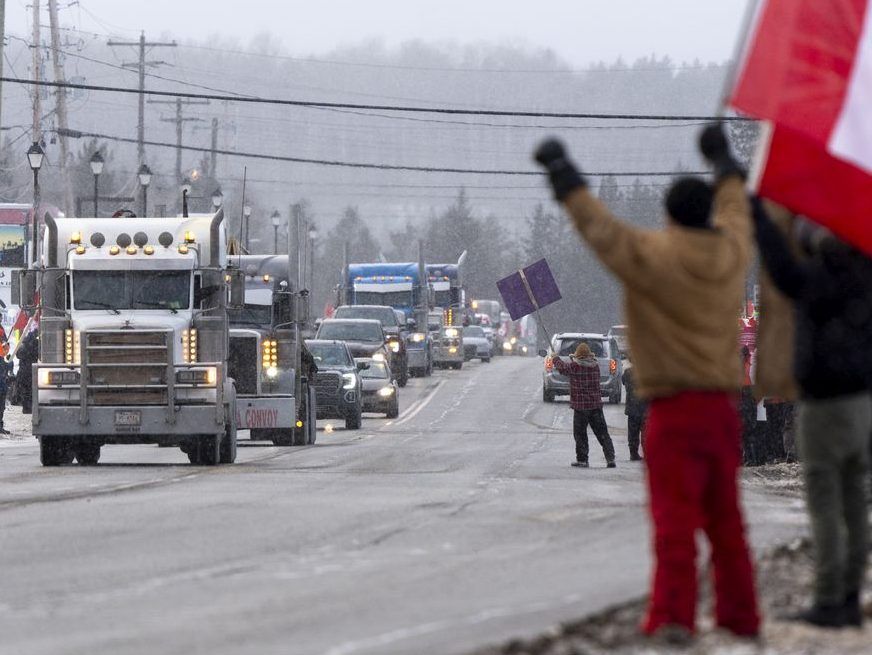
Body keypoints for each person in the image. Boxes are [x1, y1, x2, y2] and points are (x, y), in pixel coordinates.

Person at [534, 124, 759, 640]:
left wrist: (564, 176)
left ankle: (675, 615)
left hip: (672, 409)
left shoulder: (649, 257)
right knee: (727, 520)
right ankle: (739, 615)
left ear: (668, 215)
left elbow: (599, 229)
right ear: (708, 214)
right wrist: (724, 163)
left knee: (674, 521)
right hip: (722, 408)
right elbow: (738, 214)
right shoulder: (731, 257)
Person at [753, 201, 872, 628]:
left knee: (824, 500)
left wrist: (758, 213)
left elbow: (782, 268)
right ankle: (852, 593)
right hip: (863, 402)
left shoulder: (818, 278)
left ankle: (829, 597)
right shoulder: (865, 275)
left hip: (823, 403)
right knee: (856, 499)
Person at [549, 342, 616, 468]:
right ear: (590, 355)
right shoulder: (595, 366)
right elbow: (577, 365)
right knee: (602, 434)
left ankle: (582, 460)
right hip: (596, 406)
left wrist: (555, 358)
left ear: (578, 356)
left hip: (581, 408)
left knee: (580, 435)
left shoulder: (575, 367)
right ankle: (610, 458)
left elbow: (562, 368)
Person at [621, 361, 646, 461]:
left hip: (632, 407)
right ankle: (647, 453)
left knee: (632, 433)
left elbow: (623, 381)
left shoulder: (628, 372)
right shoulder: (647, 373)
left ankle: (633, 453)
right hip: (645, 407)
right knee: (645, 433)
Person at [16, 330, 38, 415]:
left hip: (24, 372)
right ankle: (30, 407)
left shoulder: (23, 345)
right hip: (31, 372)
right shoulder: (35, 345)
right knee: (31, 390)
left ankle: (26, 408)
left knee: (25, 391)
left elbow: (18, 355)